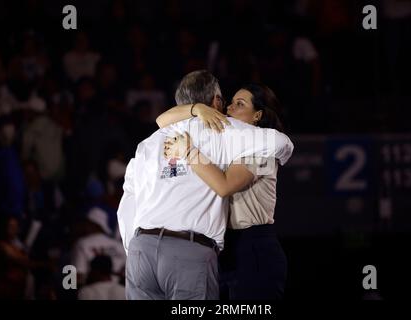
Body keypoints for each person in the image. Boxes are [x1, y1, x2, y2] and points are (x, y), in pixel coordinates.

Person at [117, 70, 293, 300]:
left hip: (252, 247)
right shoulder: (226, 137)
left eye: (239, 104)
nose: (229, 109)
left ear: (258, 115)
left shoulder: (257, 149)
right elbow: (163, 121)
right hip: (209, 249)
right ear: (215, 102)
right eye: (229, 102)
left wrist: (189, 150)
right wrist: (197, 110)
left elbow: (225, 185)